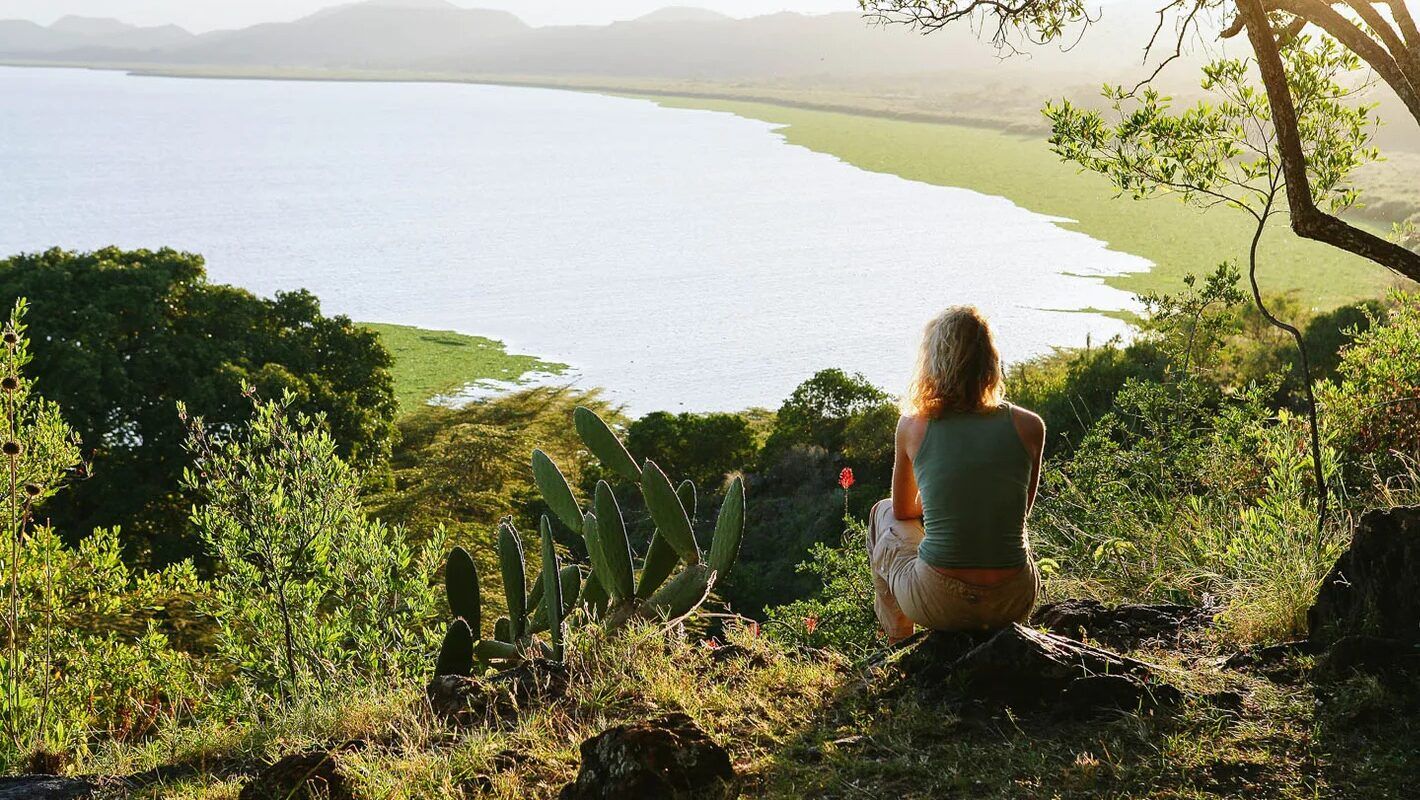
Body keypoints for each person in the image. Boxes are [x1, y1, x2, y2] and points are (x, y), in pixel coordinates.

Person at [867, 305, 1044, 641]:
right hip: (1015, 599)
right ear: (990, 361)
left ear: (933, 363)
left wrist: (938, 507)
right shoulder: (1030, 426)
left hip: (940, 602)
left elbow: (904, 511)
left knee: (884, 511)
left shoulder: (914, 426)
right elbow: (1018, 512)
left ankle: (898, 639)